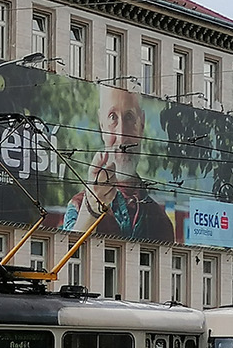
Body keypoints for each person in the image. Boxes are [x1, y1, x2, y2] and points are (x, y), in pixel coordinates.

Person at [62, 85, 174, 242]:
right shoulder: (79, 205)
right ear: (102, 126)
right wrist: (91, 211)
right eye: (113, 117)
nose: (121, 137)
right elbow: (67, 258)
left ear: (141, 124)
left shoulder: (161, 222)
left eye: (129, 117)